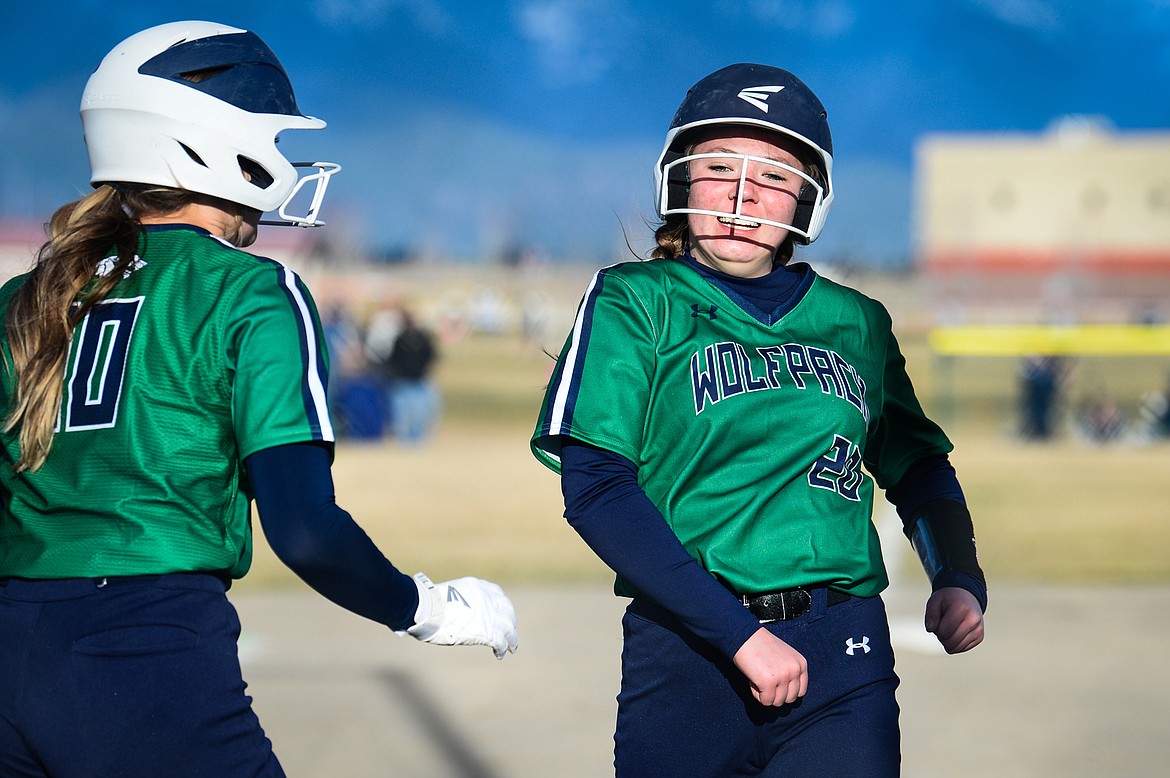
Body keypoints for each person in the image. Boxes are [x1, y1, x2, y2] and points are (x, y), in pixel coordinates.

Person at [0, 21, 517, 778]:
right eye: (271, 138)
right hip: (147, 651)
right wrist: (426, 609)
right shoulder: (251, 290)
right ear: (211, 140)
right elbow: (303, 530)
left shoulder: (24, 296)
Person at [530, 63, 985, 777]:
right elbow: (596, 490)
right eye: (718, 168)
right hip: (689, 644)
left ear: (809, 198)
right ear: (677, 179)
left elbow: (918, 464)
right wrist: (739, 635)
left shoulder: (856, 320)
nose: (742, 200)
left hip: (843, 650)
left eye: (773, 176)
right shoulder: (636, 299)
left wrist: (958, 573)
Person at [383, 308, 440, 445]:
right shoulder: (399, 340)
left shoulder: (423, 339)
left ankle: (417, 438)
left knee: (420, 413)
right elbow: (392, 359)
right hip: (402, 381)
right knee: (401, 413)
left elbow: (432, 356)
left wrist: (427, 370)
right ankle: (404, 439)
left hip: (419, 380)